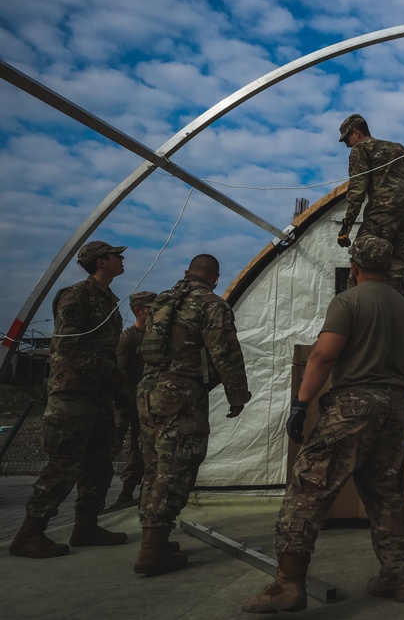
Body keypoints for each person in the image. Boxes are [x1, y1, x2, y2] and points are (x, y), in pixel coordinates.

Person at [243, 235, 404, 614]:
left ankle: (288, 583)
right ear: (390, 268)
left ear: (354, 267)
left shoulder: (348, 301)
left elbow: (325, 355)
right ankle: (400, 576)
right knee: (385, 492)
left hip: (353, 405)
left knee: (310, 486)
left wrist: (300, 404)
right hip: (394, 406)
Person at [9, 240, 131, 558]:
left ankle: (86, 526)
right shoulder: (76, 295)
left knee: (99, 465)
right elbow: (67, 345)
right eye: (117, 256)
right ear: (101, 261)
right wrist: (112, 373)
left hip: (97, 395)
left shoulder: (108, 299)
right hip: (73, 395)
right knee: (64, 466)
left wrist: (115, 387)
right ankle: (29, 533)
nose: (121, 259)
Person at [134, 254, 250, 575]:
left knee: (154, 465)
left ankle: (153, 537)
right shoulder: (211, 304)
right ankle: (152, 550)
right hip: (179, 392)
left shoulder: (161, 302)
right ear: (215, 278)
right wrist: (237, 396)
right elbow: (224, 352)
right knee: (177, 465)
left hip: (147, 389)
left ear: (186, 273)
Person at [337, 113, 404, 296]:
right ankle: (392, 309)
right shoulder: (398, 148)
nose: (347, 145)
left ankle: (356, 305)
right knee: (397, 267)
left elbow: (358, 188)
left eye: (347, 139)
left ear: (356, 132)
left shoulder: (361, 149)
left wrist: (347, 224)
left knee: (362, 258)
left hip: (381, 213)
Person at [104, 290, 157, 512]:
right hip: (126, 401)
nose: (154, 312)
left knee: (140, 448)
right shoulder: (129, 337)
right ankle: (94, 499)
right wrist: (121, 398)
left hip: (145, 401)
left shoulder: (155, 335)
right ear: (138, 311)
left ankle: (128, 493)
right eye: (150, 308)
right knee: (110, 447)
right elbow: (119, 371)